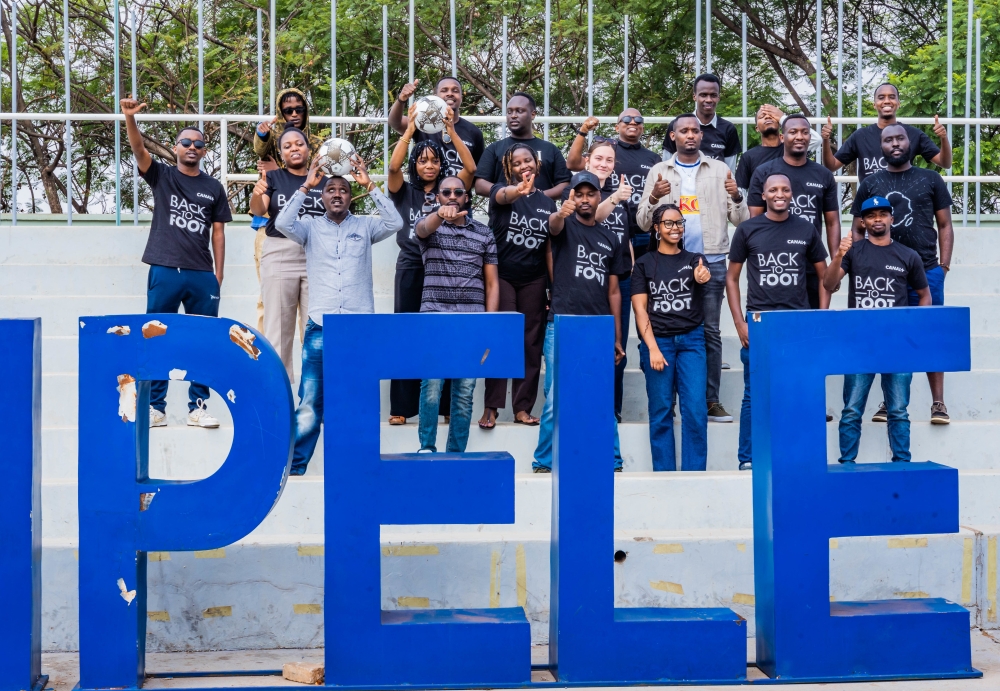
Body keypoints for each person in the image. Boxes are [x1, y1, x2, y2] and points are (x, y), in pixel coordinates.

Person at [275, 156, 402, 475]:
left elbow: (395, 222)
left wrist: (370, 185)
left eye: (343, 190)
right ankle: (297, 466)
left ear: (350, 196)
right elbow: (281, 224)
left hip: (360, 328)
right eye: (330, 189)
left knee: (359, 398)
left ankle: (357, 465)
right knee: (310, 400)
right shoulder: (309, 228)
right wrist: (306, 184)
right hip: (321, 326)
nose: (336, 194)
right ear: (322, 196)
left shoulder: (366, 225)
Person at [120, 97, 230, 430]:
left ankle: (198, 407)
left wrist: (218, 275)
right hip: (165, 268)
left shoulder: (213, 187)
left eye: (199, 143)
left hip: (201, 274)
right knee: (158, 336)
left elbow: (219, 233)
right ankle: (156, 407)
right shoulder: (163, 177)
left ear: (205, 151)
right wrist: (129, 118)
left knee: (202, 340)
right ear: (176, 147)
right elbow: (139, 150)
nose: (192, 147)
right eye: (186, 142)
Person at [638, 114, 748, 425]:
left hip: (711, 260)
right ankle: (667, 402)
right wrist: (655, 196)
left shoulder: (719, 169)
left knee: (710, 332)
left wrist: (737, 194)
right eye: (683, 130)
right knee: (668, 331)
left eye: (695, 130)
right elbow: (644, 222)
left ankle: (710, 400)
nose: (690, 135)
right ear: (672, 136)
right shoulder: (660, 171)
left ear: (702, 135)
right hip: (668, 265)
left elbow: (740, 219)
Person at [850, 124, 955, 424]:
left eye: (900, 138)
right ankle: (889, 401)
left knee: (930, 334)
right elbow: (858, 228)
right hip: (886, 275)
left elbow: (945, 225)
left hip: (927, 270)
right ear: (880, 146)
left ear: (910, 142)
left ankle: (938, 403)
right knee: (891, 335)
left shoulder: (931, 178)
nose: (894, 144)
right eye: (888, 140)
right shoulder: (870, 182)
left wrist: (943, 267)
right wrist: (862, 262)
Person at [726, 173, 829, 470]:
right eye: (773, 189)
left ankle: (798, 457)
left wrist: (820, 317)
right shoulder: (747, 229)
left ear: (792, 194)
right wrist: (739, 323)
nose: (779, 194)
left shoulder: (806, 228)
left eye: (785, 189)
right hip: (759, 323)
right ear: (764, 194)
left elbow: (824, 278)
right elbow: (732, 279)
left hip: (796, 323)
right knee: (754, 393)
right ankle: (748, 458)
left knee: (799, 390)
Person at [387, 104, 477, 426]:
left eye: (434, 159)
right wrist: (410, 129)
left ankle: (446, 407)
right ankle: (401, 406)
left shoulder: (448, 191)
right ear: (416, 163)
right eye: (423, 160)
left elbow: (470, 167)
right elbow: (394, 167)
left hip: (443, 266)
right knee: (407, 333)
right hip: (411, 265)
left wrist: (450, 132)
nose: (429, 164)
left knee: (444, 334)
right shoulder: (404, 192)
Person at [533, 172, 629, 473]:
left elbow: (614, 290)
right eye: (579, 194)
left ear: (599, 197)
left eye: (591, 194)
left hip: (597, 328)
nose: (585, 199)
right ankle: (544, 461)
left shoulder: (609, 237)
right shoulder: (564, 225)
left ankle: (613, 459)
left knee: (602, 396)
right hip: (561, 322)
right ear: (571, 196)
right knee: (555, 399)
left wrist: (615, 335)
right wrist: (560, 213)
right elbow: (554, 226)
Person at [823, 196, 931, 464]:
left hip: (897, 345)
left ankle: (902, 464)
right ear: (863, 222)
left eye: (883, 214)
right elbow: (829, 283)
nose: (878, 219)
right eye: (871, 215)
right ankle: (847, 464)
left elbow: (924, 295)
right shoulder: (854, 252)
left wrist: (914, 331)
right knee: (851, 411)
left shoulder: (908, 255)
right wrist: (838, 254)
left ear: (892, 219)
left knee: (898, 411)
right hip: (859, 344)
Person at [413, 177, 499, 452]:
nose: (452, 196)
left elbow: (492, 283)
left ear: (468, 197)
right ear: (437, 197)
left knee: (463, 394)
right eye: (446, 192)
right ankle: (427, 448)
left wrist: (489, 324)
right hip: (435, 320)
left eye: (458, 192)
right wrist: (439, 215)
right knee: (432, 389)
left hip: (471, 323)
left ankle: (456, 454)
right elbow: (423, 229)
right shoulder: (430, 226)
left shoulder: (484, 233)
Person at [478, 144, 556, 429]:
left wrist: (553, 285)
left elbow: (548, 248)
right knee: (501, 339)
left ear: (537, 164)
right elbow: (501, 194)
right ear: (508, 168)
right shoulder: (501, 192)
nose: (524, 166)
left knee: (531, 344)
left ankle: (522, 408)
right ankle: (491, 407)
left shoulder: (547, 203)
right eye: (517, 163)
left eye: (528, 161)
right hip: (503, 277)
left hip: (534, 279)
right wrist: (517, 191)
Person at [632, 204, 712, 471]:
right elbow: (640, 309)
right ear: (656, 228)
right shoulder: (643, 264)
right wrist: (652, 348)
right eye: (668, 223)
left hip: (692, 341)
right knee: (662, 410)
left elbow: (703, 275)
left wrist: (702, 276)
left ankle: (694, 476)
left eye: (679, 223)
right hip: (659, 343)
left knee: (696, 411)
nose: (675, 228)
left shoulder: (694, 259)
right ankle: (664, 476)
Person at [249, 128, 325, 382]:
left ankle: (316, 399)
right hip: (280, 252)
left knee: (316, 329)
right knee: (278, 330)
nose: (294, 148)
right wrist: (257, 192)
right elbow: (259, 210)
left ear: (308, 149)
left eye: (299, 144)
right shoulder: (274, 177)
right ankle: (279, 402)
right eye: (288, 146)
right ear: (281, 153)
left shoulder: (324, 180)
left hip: (317, 255)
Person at [566, 139, 634, 422]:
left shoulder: (622, 192)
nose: (603, 164)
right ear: (587, 161)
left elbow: (624, 233)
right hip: (587, 276)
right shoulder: (581, 192)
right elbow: (592, 217)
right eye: (598, 158)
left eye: (609, 160)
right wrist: (615, 197)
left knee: (617, 345)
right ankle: (582, 406)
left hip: (619, 275)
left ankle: (612, 408)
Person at [747, 113, 841, 309]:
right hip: (775, 266)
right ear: (782, 138)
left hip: (812, 266)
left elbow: (832, 222)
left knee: (810, 331)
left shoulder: (823, 175)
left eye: (805, 132)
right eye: (793, 132)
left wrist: (834, 266)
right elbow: (754, 222)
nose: (800, 137)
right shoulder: (764, 172)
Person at [252, 89, 323, 335]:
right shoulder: (272, 138)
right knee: (269, 308)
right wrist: (262, 134)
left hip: (310, 241)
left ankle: (312, 373)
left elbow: (311, 170)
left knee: (313, 322)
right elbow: (261, 151)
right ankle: (272, 368)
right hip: (273, 230)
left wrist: (277, 167)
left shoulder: (316, 143)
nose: (293, 114)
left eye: (299, 109)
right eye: (287, 110)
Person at [566, 109, 661, 258]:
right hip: (607, 227)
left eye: (638, 120)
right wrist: (583, 131)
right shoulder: (608, 149)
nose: (633, 122)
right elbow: (572, 163)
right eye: (627, 119)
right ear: (617, 127)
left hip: (643, 229)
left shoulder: (653, 157)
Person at [821, 83, 952, 183]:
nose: (887, 101)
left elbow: (944, 163)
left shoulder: (913, 134)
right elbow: (831, 166)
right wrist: (826, 140)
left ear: (898, 104)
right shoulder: (860, 136)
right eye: (881, 97)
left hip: (902, 201)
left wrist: (943, 138)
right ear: (875, 104)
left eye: (892, 97)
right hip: (871, 208)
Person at [474, 93, 571, 199]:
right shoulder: (495, 148)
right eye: (509, 112)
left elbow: (565, 184)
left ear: (533, 114)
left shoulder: (550, 149)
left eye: (519, 111)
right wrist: (510, 193)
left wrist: (539, 196)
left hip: (541, 214)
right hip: (505, 213)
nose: (513, 115)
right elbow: (480, 185)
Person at [389, 76, 486, 178]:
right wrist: (401, 99)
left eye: (455, 91)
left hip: (456, 192)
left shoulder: (474, 132)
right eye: (444, 90)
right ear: (436, 96)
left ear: (461, 96)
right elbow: (395, 123)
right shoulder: (422, 123)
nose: (450, 93)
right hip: (426, 192)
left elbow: (476, 172)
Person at [662, 74, 741, 171]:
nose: (708, 100)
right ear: (694, 97)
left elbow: (729, 172)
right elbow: (666, 167)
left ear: (718, 98)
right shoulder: (676, 125)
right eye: (703, 95)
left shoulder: (728, 129)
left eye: (713, 95)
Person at [734, 105, 785, 196]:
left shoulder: (792, 149)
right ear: (757, 128)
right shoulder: (748, 156)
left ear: (780, 123)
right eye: (762, 116)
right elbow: (741, 190)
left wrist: (783, 118)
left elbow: (816, 140)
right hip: (759, 208)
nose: (768, 117)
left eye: (772, 116)